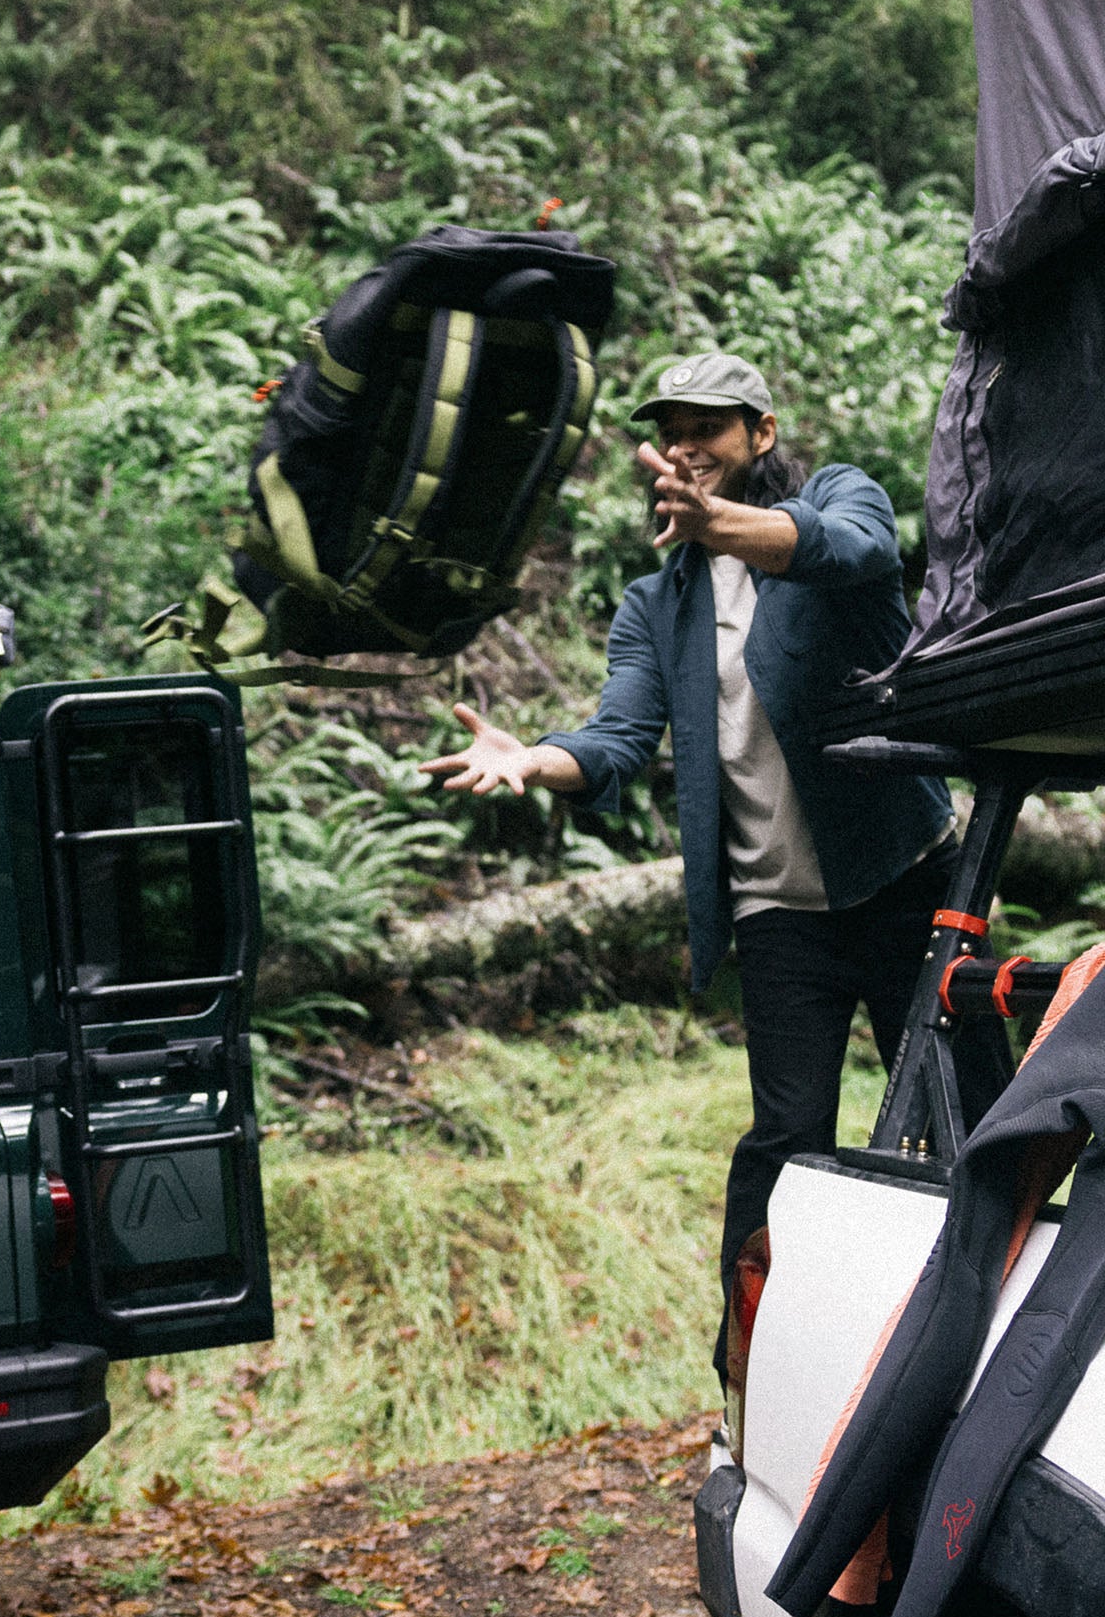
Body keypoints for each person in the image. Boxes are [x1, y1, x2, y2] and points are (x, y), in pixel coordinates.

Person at [422, 352, 985, 1382]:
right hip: (778, 912)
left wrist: (718, 525)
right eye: (671, 431)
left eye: (709, 428)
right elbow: (617, 732)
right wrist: (532, 758)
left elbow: (854, 550)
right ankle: (754, 1360)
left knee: (966, 1106)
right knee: (784, 1135)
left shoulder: (832, 496)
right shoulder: (656, 602)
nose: (687, 447)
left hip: (904, 877)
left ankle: (998, 1322)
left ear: (758, 433)